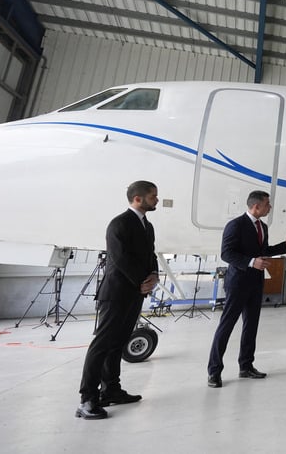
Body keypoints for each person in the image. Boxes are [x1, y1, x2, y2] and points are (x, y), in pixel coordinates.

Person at [76, 180, 160, 420]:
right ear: (138, 199)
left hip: (135, 292)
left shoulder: (147, 226)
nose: (156, 200)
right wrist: (140, 280)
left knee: (119, 342)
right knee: (102, 345)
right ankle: (87, 399)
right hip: (116, 294)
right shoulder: (119, 224)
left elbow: (150, 254)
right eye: (153, 196)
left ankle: (111, 390)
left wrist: (153, 275)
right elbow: (119, 258)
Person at [207, 190, 286, 388]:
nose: (270, 207)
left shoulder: (262, 227)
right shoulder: (236, 225)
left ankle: (246, 366)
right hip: (238, 282)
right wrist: (250, 262)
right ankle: (214, 371)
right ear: (256, 206)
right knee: (227, 325)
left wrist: (285, 245)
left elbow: (263, 251)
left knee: (251, 326)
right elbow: (226, 253)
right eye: (268, 204)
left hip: (256, 282)